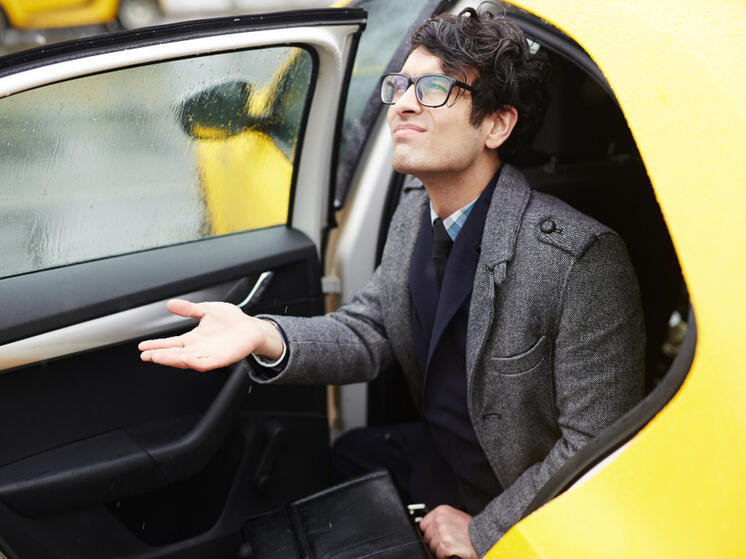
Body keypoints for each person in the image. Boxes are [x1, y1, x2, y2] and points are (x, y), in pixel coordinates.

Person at [140, 7, 645, 558]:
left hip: (523, 502)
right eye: (399, 85)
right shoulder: (413, 209)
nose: (402, 103)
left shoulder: (579, 260)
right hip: (439, 461)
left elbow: (597, 447)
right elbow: (373, 328)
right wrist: (264, 334)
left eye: (434, 89)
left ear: (497, 124)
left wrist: (485, 530)